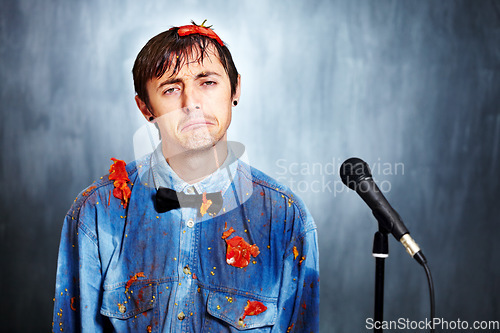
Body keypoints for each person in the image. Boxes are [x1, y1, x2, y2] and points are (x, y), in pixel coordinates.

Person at [53, 21, 319, 332]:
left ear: (235, 89)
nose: (190, 102)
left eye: (207, 82)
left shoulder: (285, 217)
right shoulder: (96, 213)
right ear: (145, 108)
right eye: (171, 88)